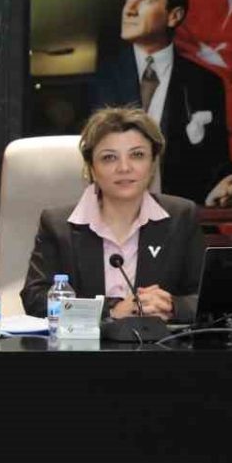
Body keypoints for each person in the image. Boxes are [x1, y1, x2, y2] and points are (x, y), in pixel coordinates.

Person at [22, 106, 205, 322]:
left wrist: (171, 306)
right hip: (85, 342)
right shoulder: (58, 225)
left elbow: (205, 298)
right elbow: (36, 299)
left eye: (137, 155)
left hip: (159, 342)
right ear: (91, 168)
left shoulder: (181, 217)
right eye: (109, 158)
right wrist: (111, 311)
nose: (124, 168)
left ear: (152, 163)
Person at [88, 0, 232, 206]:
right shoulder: (98, 79)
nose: (129, 9)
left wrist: (221, 186)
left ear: (174, 16)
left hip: (180, 217)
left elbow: (217, 163)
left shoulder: (205, 83)